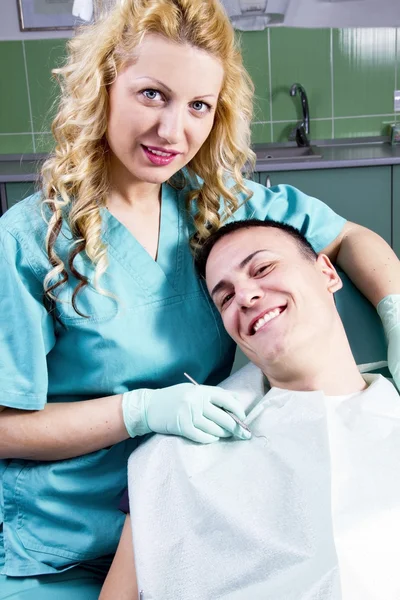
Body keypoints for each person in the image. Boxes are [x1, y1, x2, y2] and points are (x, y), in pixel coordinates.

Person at [0, 0, 399, 596]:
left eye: (198, 106)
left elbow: (350, 239)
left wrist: (395, 313)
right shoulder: (32, 242)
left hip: (199, 513)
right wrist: (140, 412)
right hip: (71, 544)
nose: (172, 132)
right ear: (103, 87)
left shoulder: (214, 203)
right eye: (151, 95)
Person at [111, 219, 400, 600]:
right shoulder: (175, 458)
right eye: (225, 298)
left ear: (327, 273)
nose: (245, 296)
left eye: (262, 268)